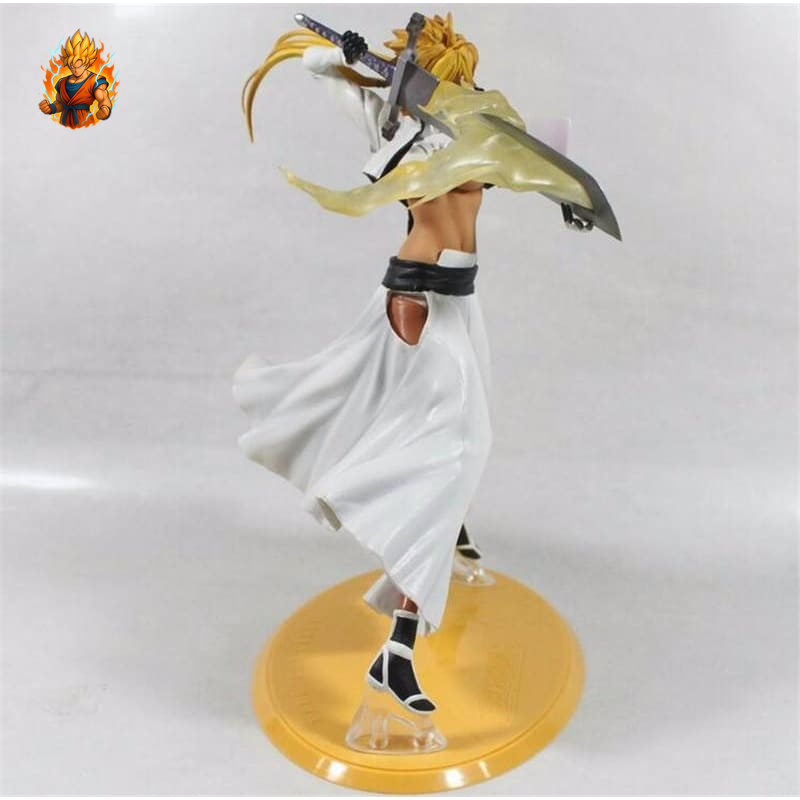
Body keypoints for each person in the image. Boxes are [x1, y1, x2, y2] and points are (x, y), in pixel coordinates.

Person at [235, 14, 503, 715]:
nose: (452, 83)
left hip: (462, 298)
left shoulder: (477, 126)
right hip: (417, 294)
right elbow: (322, 74)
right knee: (463, 442)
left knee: (474, 424)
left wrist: (570, 200)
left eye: (457, 75)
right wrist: (348, 59)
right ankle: (398, 651)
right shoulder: (393, 122)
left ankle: (451, 524)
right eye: (441, 74)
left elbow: (530, 162)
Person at [39, 30, 113, 128]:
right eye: (72, 66)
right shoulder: (62, 82)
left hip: (84, 123)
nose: (75, 70)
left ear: (87, 63)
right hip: (64, 123)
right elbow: (60, 103)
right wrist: (50, 108)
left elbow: (104, 100)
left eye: (79, 66)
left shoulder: (94, 81)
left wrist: (105, 110)